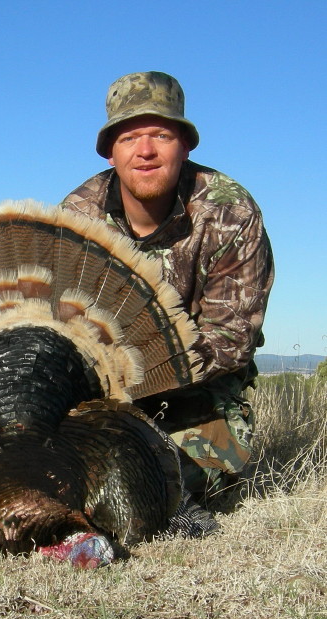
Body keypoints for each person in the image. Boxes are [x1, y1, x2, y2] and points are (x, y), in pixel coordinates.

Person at [61, 71, 274, 506]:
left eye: (161, 135)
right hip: (97, 390)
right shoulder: (76, 215)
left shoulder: (230, 212)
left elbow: (230, 343)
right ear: (109, 154)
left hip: (196, 388)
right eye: (128, 138)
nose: (145, 151)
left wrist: (135, 377)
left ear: (186, 146)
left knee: (179, 482)